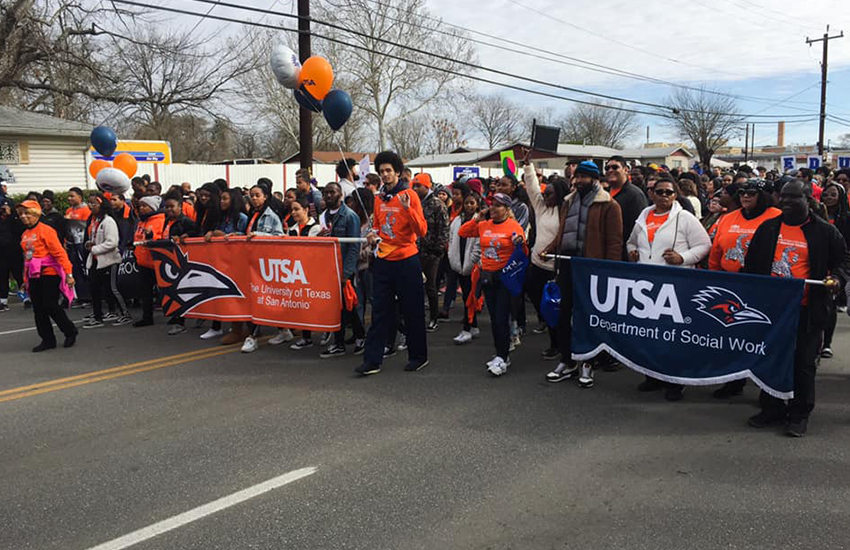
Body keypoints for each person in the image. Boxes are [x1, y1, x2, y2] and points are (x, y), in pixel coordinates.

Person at [743, 179, 850, 437]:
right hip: (773, 310)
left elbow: (844, 261)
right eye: (783, 198)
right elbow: (753, 263)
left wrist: (837, 278)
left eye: (794, 198)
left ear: (808, 200)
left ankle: (800, 413)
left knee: (803, 363)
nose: (787, 203)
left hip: (807, 309)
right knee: (771, 359)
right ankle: (772, 408)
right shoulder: (768, 228)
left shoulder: (825, 231)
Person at [627, 175, 712, 401]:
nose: (664, 195)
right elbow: (631, 241)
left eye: (669, 192)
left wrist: (683, 257)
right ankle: (653, 376)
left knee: (673, 336)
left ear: (676, 195)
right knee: (650, 334)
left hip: (676, 285)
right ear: (651, 194)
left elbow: (704, 245)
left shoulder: (684, 218)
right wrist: (632, 252)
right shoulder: (644, 215)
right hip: (647, 286)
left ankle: (675, 381)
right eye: (659, 191)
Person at [542, 161, 623, 388]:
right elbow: (563, 233)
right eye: (576, 177)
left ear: (594, 179)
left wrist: (610, 272)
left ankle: (587, 362)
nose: (578, 181)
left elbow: (614, 243)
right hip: (568, 266)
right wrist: (549, 249)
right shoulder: (568, 202)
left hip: (593, 269)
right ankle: (568, 361)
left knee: (586, 317)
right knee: (563, 313)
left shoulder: (609, 205)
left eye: (583, 178)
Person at [356, 151, 429, 376]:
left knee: (412, 309)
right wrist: (372, 234)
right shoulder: (379, 198)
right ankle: (373, 360)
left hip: (407, 260)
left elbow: (422, 231)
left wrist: (408, 209)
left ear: (397, 171)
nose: (385, 175)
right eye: (382, 171)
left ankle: (418, 356)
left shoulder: (409, 196)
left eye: (389, 170)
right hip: (383, 260)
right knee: (379, 311)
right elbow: (377, 225)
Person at [707, 178, 781, 398]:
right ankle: (732, 381)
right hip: (731, 284)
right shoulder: (728, 218)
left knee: (762, 338)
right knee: (732, 337)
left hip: (762, 286)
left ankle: (766, 388)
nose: (745, 196)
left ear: (763, 196)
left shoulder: (777, 217)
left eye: (751, 192)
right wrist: (714, 275)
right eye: (742, 193)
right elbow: (716, 251)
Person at [459, 193, 526, 375]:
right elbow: (462, 232)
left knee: (500, 318)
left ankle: (502, 357)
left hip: (504, 277)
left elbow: (522, 247)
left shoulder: (513, 226)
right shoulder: (484, 225)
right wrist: (477, 218)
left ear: (507, 209)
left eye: (498, 205)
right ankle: (500, 354)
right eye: (492, 204)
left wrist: (518, 242)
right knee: (494, 318)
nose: (494, 208)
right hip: (487, 276)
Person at [229, 183, 285, 352]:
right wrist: (238, 235)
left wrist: (259, 235)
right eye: (252, 195)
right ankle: (277, 330)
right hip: (253, 261)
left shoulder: (271, 216)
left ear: (265, 197)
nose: (254, 198)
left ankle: (256, 335)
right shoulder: (253, 214)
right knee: (255, 299)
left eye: (257, 195)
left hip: (266, 264)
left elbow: (279, 236)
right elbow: (249, 235)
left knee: (266, 299)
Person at [523, 160, 569, 360]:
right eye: (545, 192)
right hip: (537, 263)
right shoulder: (542, 208)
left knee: (555, 307)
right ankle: (547, 327)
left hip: (555, 268)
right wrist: (528, 167)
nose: (544, 195)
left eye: (549, 193)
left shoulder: (566, 211)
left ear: (559, 195)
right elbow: (532, 188)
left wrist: (552, 249)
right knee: (537, 299)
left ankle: (557, 344)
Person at [17, 200, 78, 351]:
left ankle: (70, 331)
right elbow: (27, 259)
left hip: (49, 272)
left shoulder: (46, 230)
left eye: (27, 213)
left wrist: (69, 274)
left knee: (50, 305)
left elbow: (59, 252)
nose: (24, 217)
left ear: (35, 214)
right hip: (34, 274)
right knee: (38, 309)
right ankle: (47, 340)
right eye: (21, 214)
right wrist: (25, 280)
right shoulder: (25, 234)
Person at [317, 182, 365, 357]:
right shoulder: (323, 216)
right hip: (328, 268)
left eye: (332, 192)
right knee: (336, 307)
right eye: (326, 192)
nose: (328, 195)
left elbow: (353, 247)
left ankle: (357, 337)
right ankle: (344, 341)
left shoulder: (350, 216)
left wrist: (347, 273)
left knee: (348, 306)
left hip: (343, 269)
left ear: (340, 195)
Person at [82, 193, 131, 329]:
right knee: (95, 289)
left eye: (94, 203)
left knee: (113, 289)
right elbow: (95, 239)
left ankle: (125, 314)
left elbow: (112, 242)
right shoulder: (95, 220)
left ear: (101, 205)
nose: (91, 206)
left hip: (109, 260)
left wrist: (95, 249)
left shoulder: (108, 221)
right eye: (89, 203)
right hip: (96, 261)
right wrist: (89, 244)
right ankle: (98, 316)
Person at [412, 172, 449, 333]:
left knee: (431, 286)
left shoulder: (437, 204)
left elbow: (444, 228)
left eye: (418, 185)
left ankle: (434, 317)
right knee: (415, 286)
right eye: (414, 185)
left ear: (426, 186)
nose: (415, 188)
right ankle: (417, 316)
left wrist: (438, 250)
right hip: (415, 251)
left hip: (431, 252)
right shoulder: (414, 202)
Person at [819, 182, 850, 359]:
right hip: (819, 265)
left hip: (838, 267)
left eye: (833, 195)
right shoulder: (816, 214)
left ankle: (827, 343)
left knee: (831, 305)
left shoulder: (846, 218)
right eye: (826, 195)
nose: (829, 198)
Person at [161, 192, 198, 335]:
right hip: (168, 259)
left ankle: (180, 322)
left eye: (172, 207)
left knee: (179, 291)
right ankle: (176, 316)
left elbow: (196, 233)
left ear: (180, 207)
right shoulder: (166, 220)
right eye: (167, 207)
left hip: (181, 261)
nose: (169, 210)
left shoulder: (186, 221)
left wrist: (185, 236)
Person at [448, 192, 482, 345]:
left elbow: (479, 245)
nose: (469, 206)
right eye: (467, 203)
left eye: (472, 203)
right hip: (459, 262)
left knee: (470, 297)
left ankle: (467, 328)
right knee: (467, 296)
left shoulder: (480, 221)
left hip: (472, 265)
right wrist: (451, 256)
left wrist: (473, 261)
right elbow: (451, 238)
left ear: (477, 205)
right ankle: (473, 326)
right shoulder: (457, 220)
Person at [132, 196, 165, 327]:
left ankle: (176, 316)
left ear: (153, 207)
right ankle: (147, 317)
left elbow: (160, 238)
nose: (141, 208)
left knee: (165, 290)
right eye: (140, 206)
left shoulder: (160, 220)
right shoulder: (142, 221)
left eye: (145, 206)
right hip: (143, 261)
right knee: (145, 292)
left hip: (156, 262)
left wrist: (151, 236)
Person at [605, 155, 648, 260]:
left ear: (626, 170)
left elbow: (640, 229)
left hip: (624, 255)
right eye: (607, 168)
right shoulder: (603, 194)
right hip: (605, 252)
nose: (610, 170)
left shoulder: (635, 195)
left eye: (615, 167)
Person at [1, 195, 26, 312]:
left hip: (15, 252)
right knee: (2, 276)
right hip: (2, 253)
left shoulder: (15, 219)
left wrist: (12, 215)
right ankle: (3, 300)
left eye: (6, 207)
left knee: (19, 275)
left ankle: (26, 298)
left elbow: (21, 229)